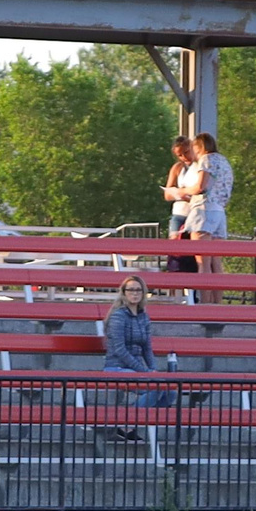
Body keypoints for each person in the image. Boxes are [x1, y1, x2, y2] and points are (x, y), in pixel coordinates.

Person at [100, 272, 157, 434]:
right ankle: (127, 423)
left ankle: (129, 419)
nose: (135, 293)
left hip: (136, 369)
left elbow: (147, 347)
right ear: (124, 292)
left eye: (138, 290)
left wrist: (153, 369)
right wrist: (145, 371)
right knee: (157, 388)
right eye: (130, 289)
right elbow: (120, 350)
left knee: (170, 392)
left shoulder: (143, 316)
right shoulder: (118, 316)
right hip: (116, 367)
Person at [185, 133, 232, 250]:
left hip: (204, 209)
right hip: (219, 210)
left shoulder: (206, 159)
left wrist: (182, 191)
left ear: (199, 146)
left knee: (202, 258)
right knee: (216, 259)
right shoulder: (223, 161)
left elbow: (200, 187)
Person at [161, 137, 200, 272]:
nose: (184, 157)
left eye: (186, 152)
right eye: (180, 155)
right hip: (179, 212)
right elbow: (167, 194)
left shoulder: (200, 166)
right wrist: (179, 194)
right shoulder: (177, 168)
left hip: (195, 213)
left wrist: (189, 196)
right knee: (175, 248)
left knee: (195, 251)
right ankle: (174, 279)